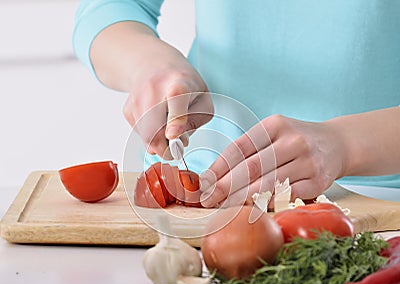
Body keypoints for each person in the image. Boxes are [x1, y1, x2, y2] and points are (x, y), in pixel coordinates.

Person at [73, 0, 400, 208]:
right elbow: (108, 8)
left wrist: (348, 145)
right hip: (192, 198)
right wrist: (149, 63)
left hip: (375, 203)